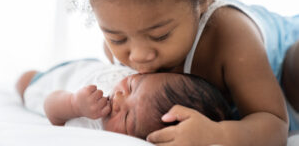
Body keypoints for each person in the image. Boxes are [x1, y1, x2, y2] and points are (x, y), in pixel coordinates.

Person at [83, 0, 299, 145]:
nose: (138, 56)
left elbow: (276, 124)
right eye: (117, 39)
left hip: (284, 75)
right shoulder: (117, 52)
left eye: (160, 35)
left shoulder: (229, 36)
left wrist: (217, 134)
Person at [16, 59, 232, 139]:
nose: (119, 99)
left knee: (23, 80)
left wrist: (73, 104)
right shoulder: (142, 79)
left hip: (51, 84)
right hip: (86, 64)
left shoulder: (96, 125)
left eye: (127, 118)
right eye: (131, 86)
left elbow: (51, 107)